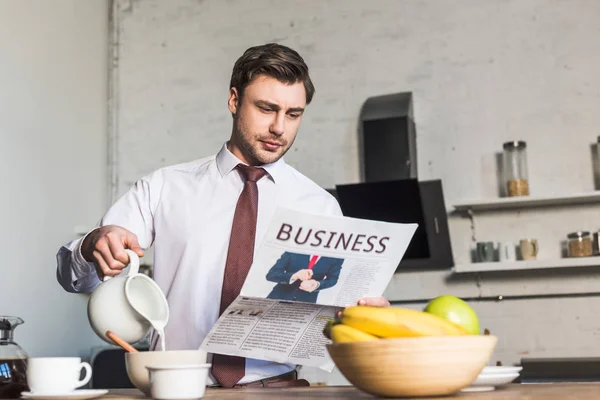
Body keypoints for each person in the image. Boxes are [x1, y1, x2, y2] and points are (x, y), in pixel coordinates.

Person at [56, 43, 390, 389]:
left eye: (293, 114)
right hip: (176, 387)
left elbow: (340, 318)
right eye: (266, 109)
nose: (279, 127)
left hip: (278, 390)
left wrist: (367, 315)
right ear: (234, 101)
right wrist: (93, 245)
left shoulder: (319, 206)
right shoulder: (165, 187)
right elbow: (72, 277)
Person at [266, 252, 343, 303]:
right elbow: (271, 274)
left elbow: (333, 279)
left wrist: (317, 284)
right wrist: (295, 276)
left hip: (306, 303)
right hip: (278, 297)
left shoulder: (336, 257)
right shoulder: (294, 250)